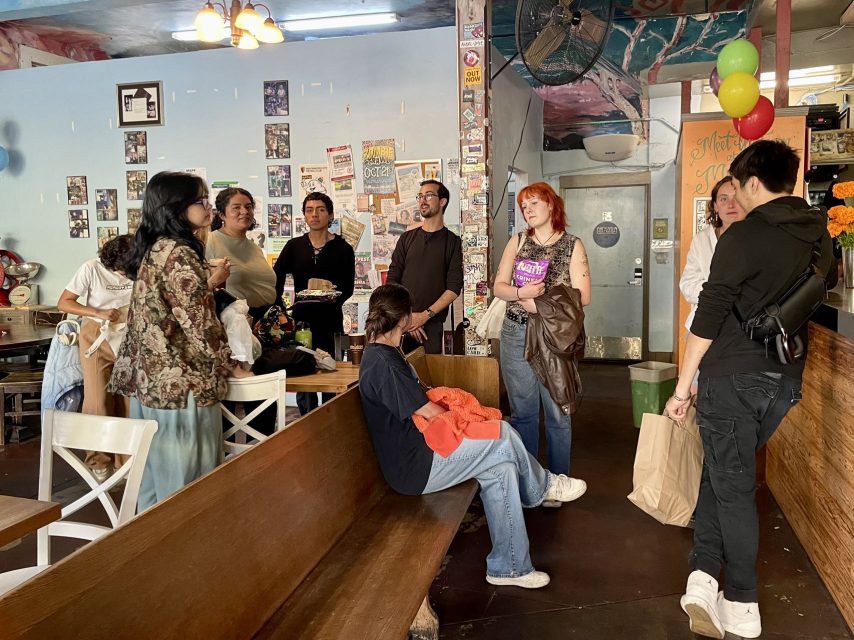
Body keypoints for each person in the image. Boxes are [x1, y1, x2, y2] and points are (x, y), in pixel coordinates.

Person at [665, 141, 837, 640]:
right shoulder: (819, 236)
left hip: (730, 379)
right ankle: (701, 574)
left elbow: (708, 319)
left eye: (738, 185)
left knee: (734, 486)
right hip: (783, 381)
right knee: (724, 470)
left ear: (754, 183)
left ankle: (740, 603)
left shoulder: (742, 238)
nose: (735, 196)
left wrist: (682, 389)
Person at [358, 284, 586, 588]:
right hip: (416, 468)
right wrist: (464, 421)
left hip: (425, 452)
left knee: (501, 469)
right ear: (403, 319)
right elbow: (428, 412)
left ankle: (510, 567)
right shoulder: (382, 364)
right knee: (502, 432)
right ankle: (541, 487)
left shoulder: (385, 353)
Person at [109, 171, 252, 512]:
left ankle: (150, 557)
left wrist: (208, 284)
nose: (208, 207)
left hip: (152, 383)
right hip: (182, 382)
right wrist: (230, 364)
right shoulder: (179, 251)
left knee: (153, 486)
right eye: (200, 200)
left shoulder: (154, 247)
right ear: (176, 207)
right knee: (189, 489)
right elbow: (199, 323)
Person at [492, 182, 591, 494]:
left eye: (534, 203)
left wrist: (540, 302)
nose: (528, 210)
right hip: (515, 331)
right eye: (524, 206)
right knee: (523, 414)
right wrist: (521, 293)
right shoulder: (518, 241)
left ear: (552, 205)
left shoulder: (573, 244)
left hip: (553, 337)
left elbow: (583, 296)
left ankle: (558, 483)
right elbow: (499, 287)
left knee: (558, 412)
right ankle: (531, 484)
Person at [58, 234, 134, 482]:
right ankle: (99, 461)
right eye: (121, 270)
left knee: (127, 400)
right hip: (96, 334)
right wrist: (96, 312)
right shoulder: (91, 268)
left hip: (130, 335)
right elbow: (64, 303)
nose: (125, 274)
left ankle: (127, 462)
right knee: (98, 399)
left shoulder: (140, 266)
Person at [273, 192, 355, 415]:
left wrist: (329, 297)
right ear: (304, 216)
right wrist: (280, 308)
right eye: (309, 210)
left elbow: (348, 288)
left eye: (320, 209)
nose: (315, 214)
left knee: (332, 371)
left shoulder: (343, 249)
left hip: (331, 319)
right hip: (302, 321)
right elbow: (275, 278)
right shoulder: (294, 246)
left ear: (330, 215)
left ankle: (331, 419)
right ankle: (306, 419)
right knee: (304, 371)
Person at [680, 176, 748, 392]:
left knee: (732, 389)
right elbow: (687, 283)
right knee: (698, 388)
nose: (731, 204)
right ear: (715, 206)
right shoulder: (702, 239)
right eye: (723, 198)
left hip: (744, 332)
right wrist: (718, 294)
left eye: (736, 198)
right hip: (705, 324)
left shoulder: (757, 239)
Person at [387, 180, 463, 354]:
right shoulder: (407, 238)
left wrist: (423, 316)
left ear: (442, 201)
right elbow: (392, 280)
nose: (422, 200)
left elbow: (453, 288)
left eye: (428, 195)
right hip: (399, 323)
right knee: (396, 376)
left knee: (428, 379)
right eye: (420, 196)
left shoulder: (453, 242)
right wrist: (407, 318)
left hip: (431, 327)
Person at [205, 187, 277, 323]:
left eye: (248, 207)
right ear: (221, 214)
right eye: (236, 208)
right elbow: (200, 289)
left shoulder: (255, 248)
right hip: (236, 323)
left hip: (266, 322)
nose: (244, 211)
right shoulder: (210, 241)